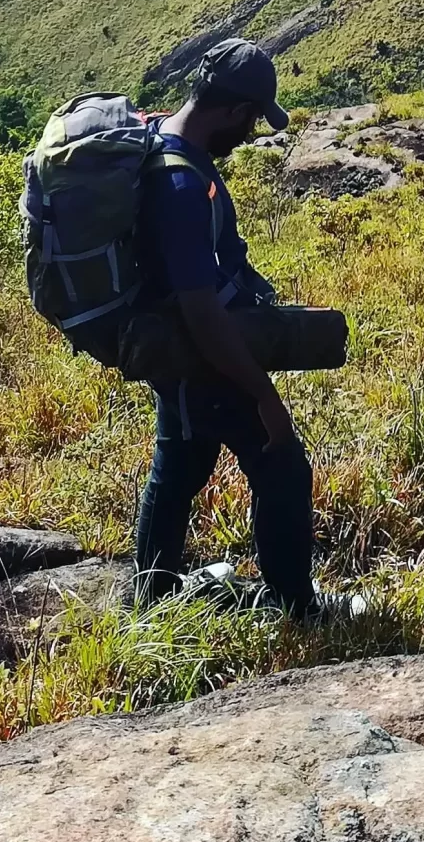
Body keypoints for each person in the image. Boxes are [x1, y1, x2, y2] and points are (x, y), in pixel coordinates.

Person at [130, 39, 318, 614]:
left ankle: (152, 596)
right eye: (253, 120)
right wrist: (265, 398)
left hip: (191, 354)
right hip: (200, 356)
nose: (252, 133)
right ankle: (296, 608)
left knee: (180, 465)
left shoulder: (169, 140)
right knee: (281, 464)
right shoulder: (182, 186)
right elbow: (200, 308)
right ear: (234, 112)